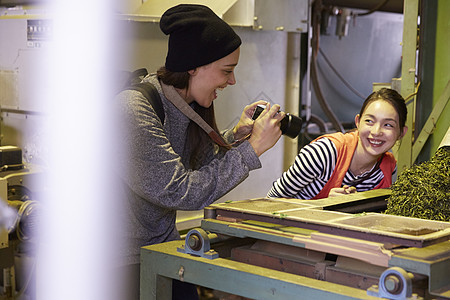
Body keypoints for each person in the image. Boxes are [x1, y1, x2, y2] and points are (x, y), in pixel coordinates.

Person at [114, 4, 284, 299]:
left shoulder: (188, 107)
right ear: (193, 65)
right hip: (118, 260)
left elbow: (196, 167)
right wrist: (254, 149)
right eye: (227, 71)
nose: (231, 81)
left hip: (160, 246)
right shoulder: (134, 109)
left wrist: (238, 138)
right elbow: (180, 190)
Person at [267, 88, 408, 200]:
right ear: (358, 122)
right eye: (369, 121)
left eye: (388, 125)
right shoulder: (323, 153)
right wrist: (323, 205)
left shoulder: (386, 169)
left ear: (401, 133)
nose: (376, 131)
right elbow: (272, 201)